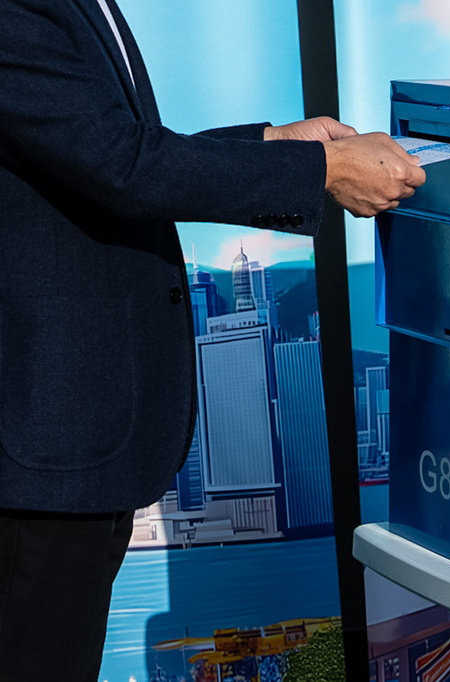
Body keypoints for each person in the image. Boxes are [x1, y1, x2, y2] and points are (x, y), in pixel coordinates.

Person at [0, 0, 425, 678]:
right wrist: (321, 170)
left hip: (80, 440)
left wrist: (272, 142)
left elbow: (107, 145)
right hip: (43, 445)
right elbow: (123, 166)